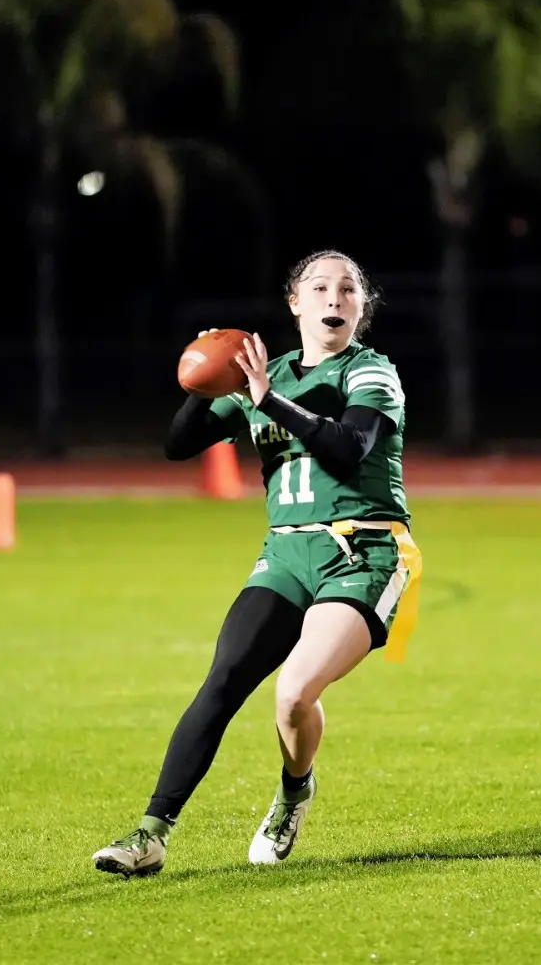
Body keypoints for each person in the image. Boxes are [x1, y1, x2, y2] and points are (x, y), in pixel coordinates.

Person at [92, 250, 422, 876]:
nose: (335, 298)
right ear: (295, 303)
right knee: (221, 683)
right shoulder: (261, 374)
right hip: (286, 554)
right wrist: (205, 382)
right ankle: (149, 835)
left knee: (294, 692)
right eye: (319, 287)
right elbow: (177, 445)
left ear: (360, 307)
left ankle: (294, 792)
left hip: (365, 551)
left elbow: (349, 447)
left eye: (348, 289)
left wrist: (265, 398)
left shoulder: (371, 371)